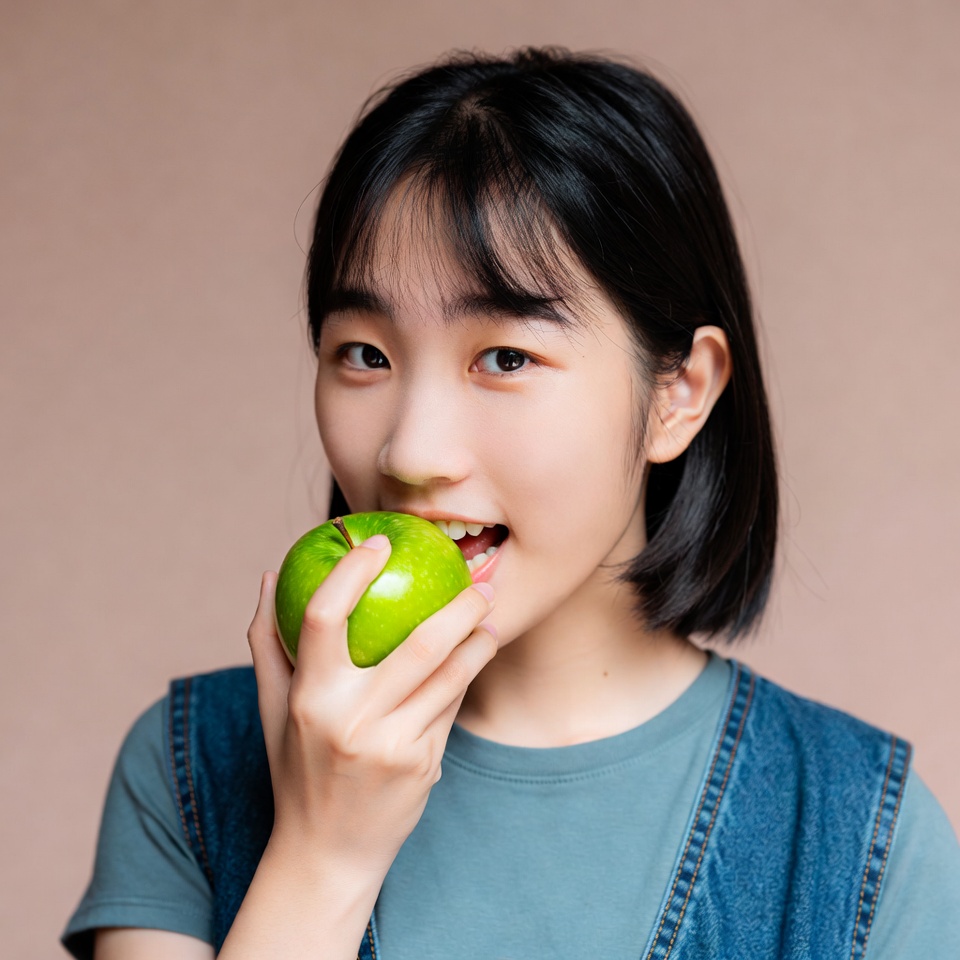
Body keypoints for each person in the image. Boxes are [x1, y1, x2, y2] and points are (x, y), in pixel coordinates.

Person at [63, 47, 960, 960]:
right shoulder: (186, 770)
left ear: (679, 393)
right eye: (364, 354)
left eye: (505, 358)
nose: (408, 452)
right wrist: (320, 860)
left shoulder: (865, 846)